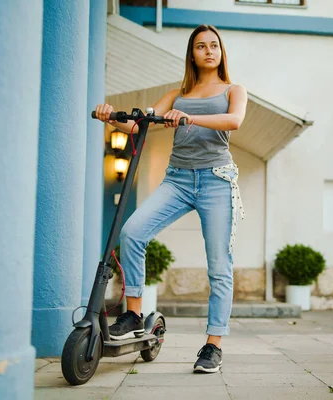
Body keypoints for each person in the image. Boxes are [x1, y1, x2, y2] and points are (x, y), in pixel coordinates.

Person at [95, 24, 247, 373]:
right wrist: (111, 117)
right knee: (132, 232)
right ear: (191, 54)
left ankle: (213, 346)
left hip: (216, 181)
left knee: (219, 267)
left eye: (214, 45)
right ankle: (133, 313)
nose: (208, 51)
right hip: (177, 180)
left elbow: (234, 121)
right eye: (200, 46)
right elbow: (140, 124)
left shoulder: (234, 90)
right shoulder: (177, 94)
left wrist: (189, 117)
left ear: (221, 52)